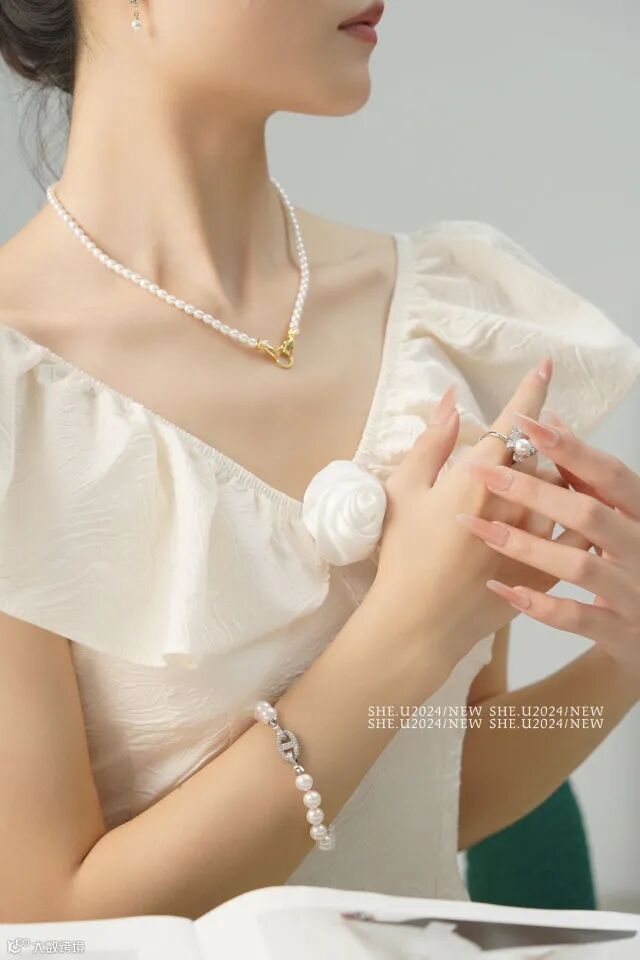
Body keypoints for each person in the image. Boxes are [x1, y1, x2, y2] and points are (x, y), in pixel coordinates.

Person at [0, 0, 639, 925]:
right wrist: (408, 630)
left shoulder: (442, 322)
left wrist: (619, 667)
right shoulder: (20, 394)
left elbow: (441, 785)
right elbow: (45, 919)